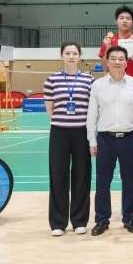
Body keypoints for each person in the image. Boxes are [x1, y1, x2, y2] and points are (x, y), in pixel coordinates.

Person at [87, 46, 133, 236]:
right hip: (105, 139)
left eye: (121, 59)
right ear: (107, 62)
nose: (117, 62)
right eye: (113, 58)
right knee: (103, 183)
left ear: (126, 63)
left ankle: (129, 218)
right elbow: (92, 114)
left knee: (130, 181)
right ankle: (102, 220)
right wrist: (92, 140)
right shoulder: (98, 85)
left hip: (130, 138)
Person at [44, 41, 94, 237]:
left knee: (82, 176)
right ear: (61, 56)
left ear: (80, 56)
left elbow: (92, 108)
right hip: (59, 131)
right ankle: (58, 222)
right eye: (67, 53)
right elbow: (50, 109)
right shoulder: (52, 80)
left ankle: (80, 220)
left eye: (75, 53)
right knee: (58, 176)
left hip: (82, 132)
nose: (71, 56)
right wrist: (62, 122)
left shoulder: (89, 80)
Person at [98, 5, 133, 176]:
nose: (125, 21)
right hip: (114, 88)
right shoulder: (109, 41)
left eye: (128, 18)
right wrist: (107, 48)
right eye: (122, 18)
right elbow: (104, 67)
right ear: (116, 21)